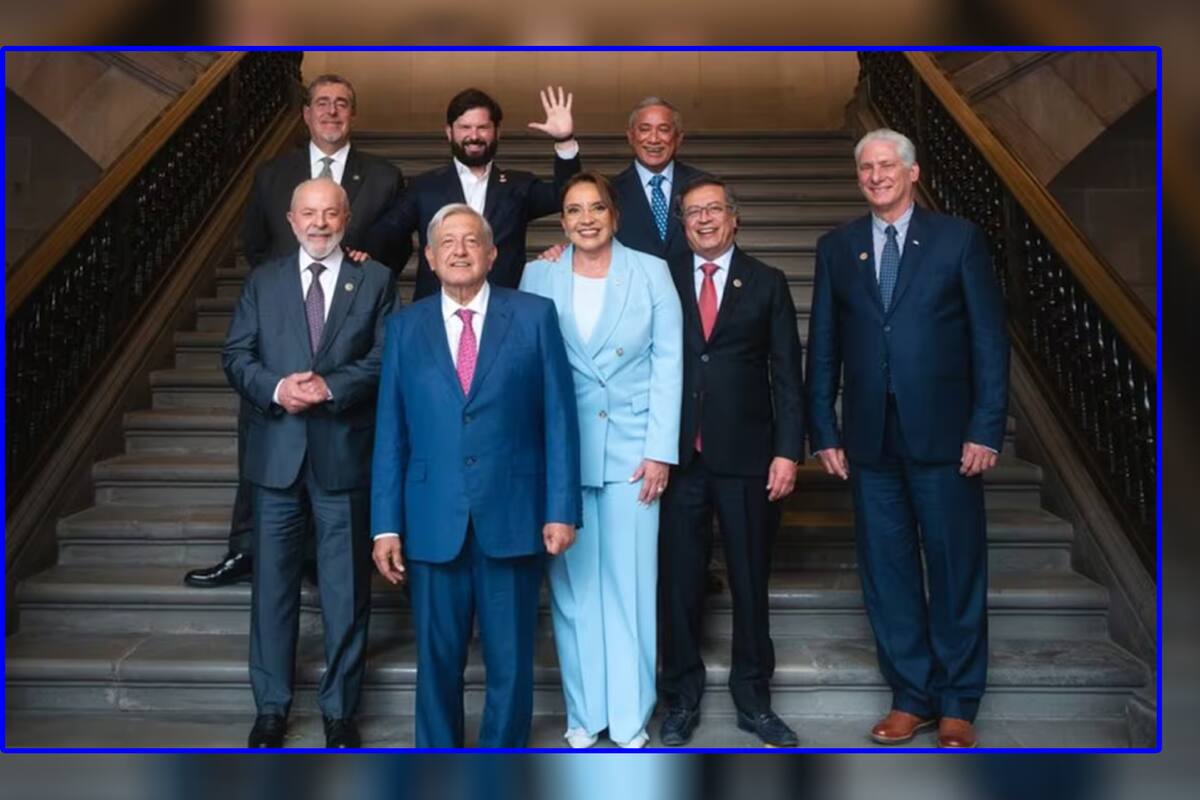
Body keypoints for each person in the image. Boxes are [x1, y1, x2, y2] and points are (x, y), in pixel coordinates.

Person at [805, 129, 1010, 749]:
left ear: (912, 172)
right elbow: (826, 345)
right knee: (887, 573)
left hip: (948, 440)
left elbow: (988, 341)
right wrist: (824, 426)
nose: (875, 175)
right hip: (869, 440)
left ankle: (957, 700)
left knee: (955, 568)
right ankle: (911, 696)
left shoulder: (958, 239)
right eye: (865, 167)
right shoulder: (837, 248)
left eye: (886, 165)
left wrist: (986, 426)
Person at [370, 204, 582, 749]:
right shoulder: (404, 327)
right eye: (448, 243)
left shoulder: (534, 316)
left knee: (510, 665)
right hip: (431, 521)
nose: (460, 250)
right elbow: (391, 433)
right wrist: (385, 526)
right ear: (432, 259)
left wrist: (562, 508)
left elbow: (559, 418)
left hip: (513, 518)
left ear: (491, 254)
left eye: (471, 241)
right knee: (436, 663)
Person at [186, 73, 406, 589]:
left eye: (342, 104)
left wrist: (352, 266)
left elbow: (394, 252)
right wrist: (282, 299)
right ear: (305, 114)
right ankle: (245, 549)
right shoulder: (272, 172)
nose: (332, 112)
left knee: (333, 457)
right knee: (262, 448)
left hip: (345, 331)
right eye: (322, 103)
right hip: (278, 334)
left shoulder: (384, 176)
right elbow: (256, 244)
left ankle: (315, 555)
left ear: (354, 113)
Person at [222, 177, 396, 748]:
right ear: (292, 221)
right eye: (308, 214)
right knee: (272, 590)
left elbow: (383, 358)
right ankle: (270, 708)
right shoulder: (263, 281)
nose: (319, 224)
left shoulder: (374, 279)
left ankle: (339, 713)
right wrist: (275, 388)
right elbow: (236, 356)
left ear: (346, 217)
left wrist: (329, 387)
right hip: (276, 460)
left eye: (330, 213)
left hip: (343, 458)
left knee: (346, 593)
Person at [520, 171, 683, 748]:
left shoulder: (651, 271)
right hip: (562, 456)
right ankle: (586, 715)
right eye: (572, 210)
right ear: (561, 222)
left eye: (595, 208)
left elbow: (670, 363)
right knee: (572, 592)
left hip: (633, 456)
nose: (585, 219)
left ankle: (631, 714)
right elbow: (526, 367)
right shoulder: (537, 274)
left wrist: (660, 451)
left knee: (631, 589)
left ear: (614, 215)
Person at [657, 174, 806, 748]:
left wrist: (788, 452)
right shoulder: (661, 277)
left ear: (733, 218)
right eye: (692, 212)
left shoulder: (766, 282)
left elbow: (787, 377)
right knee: (679, 585)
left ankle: (753, 698)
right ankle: (680, 697)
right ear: (682, 222)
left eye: (713, 210)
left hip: (748, 457)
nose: (703, 219)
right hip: (676, 459)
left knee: (748, 580)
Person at [361, 87, 581, 300]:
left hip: (504, 309)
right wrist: (356, 254)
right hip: (436, 311)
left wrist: (564, 140)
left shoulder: (518, 186)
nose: (473, 136)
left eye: (482, 127)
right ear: (449, 132)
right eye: (465, 127)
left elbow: (567, 196)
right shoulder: (424, 187)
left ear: (497, 132)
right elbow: (386, 232)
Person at [611, 97, 703, 262]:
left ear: (678, 138)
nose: (654, 139)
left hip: (690, 286)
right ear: (630, 137)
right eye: (644, 129)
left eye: (664, 129)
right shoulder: (610, 192)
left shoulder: (702, 185)